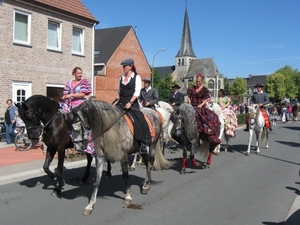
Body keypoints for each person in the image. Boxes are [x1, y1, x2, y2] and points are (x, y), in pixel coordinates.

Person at [114, 58, 150, 154]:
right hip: (121, 102)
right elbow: (119, 91)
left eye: (125, 66)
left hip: (132, 103)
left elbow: (137, 92)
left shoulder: (137, 77)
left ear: (130, 67)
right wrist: (117, 97)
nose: (123, 68)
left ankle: (143, 143)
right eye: (123, 66)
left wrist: (130, 102)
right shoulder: (121, 77)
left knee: (139, 119)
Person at [187, 73, 221, 166]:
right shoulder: (191, 88)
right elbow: (189, 97)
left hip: (201, 107)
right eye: (197, 81)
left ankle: (209, 135)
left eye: (199, 81)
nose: (198, 83)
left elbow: (206, 100)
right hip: (192, 106)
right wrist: (189, 105)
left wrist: (200, 105)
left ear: (201, 81)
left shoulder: (205, 90)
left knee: (207, 120)